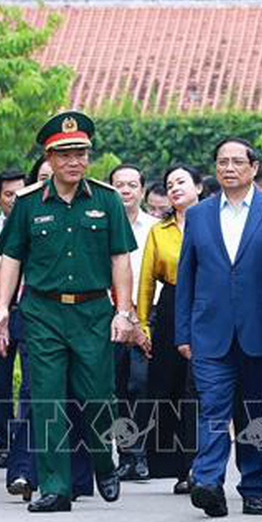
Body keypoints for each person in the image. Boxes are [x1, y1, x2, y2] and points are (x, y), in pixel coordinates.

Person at [0, 110, 139, 513]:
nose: (74, 161)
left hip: (92, 312)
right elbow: (10, 259)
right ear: (50, 158)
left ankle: (102, 462)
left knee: (97, 399)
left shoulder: (106, 200)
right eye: (65, 154)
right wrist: (2, 309)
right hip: (42, 312)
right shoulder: (27, 204)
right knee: (47, 399)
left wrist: (123, 312)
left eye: (82, 153)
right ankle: (54, 487)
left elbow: (120, 260)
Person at [175, 136, 262, 518]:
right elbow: (188, 275)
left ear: (254, 169)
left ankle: (254, 485)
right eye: (222, 162)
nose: (228, 168)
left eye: (237, 161)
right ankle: (208, 482)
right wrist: (183, 332)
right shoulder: (199, 214)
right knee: (212, 409)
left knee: (259, 413)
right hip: (209, 331)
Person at [136, 164, 204, 493]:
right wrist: (142, 324)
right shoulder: (158, 232)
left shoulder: (214, 222)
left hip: (208, 303)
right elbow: (147, 281)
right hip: (172, 304)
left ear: (199, 187)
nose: (174, 188)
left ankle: (202, 464)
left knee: (201, 388)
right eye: (169, 184)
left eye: (181, 182)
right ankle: (180, 467)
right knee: (170, 387)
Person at [110, 163, 159, 481]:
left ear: (142, 190)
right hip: (110, 314)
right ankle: (125, 454)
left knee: (141, 385)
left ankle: (142, 453)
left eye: (132, 185)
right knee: (114, 387)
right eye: (119, 185)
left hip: (149, 315)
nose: (126, 191)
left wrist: (140, 321)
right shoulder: (102, 224)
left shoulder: (156, 227)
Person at [0, 168, 28, 470]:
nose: (14, 199)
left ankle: (26, 444)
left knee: (30, 381)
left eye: (19, 193)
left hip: (30, 312)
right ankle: (4, 444)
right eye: (8, 194)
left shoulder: (33, 221)